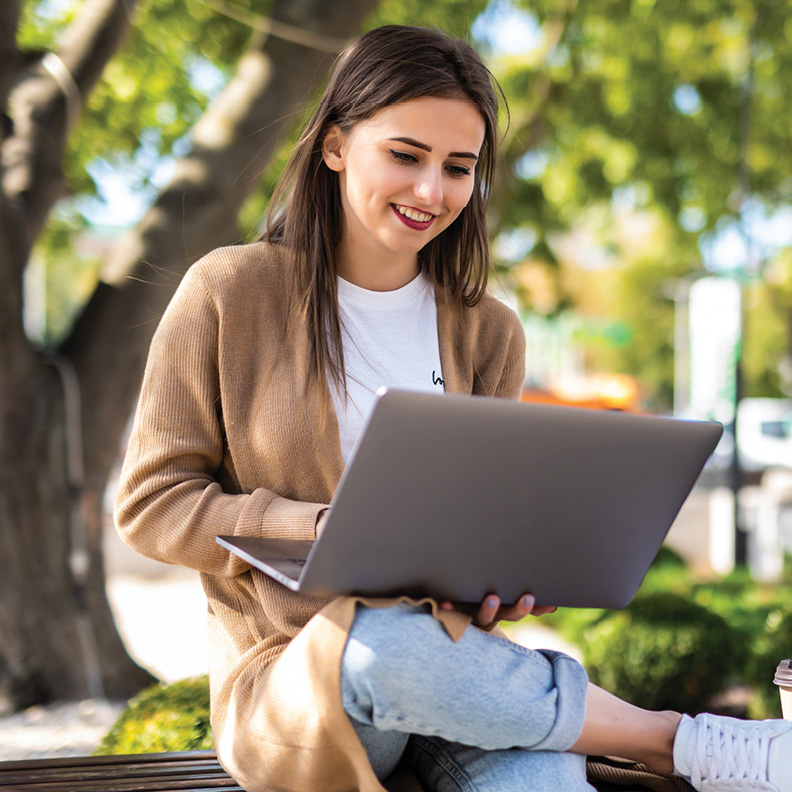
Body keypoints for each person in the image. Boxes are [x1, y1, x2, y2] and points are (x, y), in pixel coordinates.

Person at [114, 24, 792, 792]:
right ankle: (674, 742)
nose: (431, 191)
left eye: (458, 167)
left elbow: (481, 527)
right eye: (405, 155)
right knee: (383, 646)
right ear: (335, 146)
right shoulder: (228, 292)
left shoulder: (487, 329)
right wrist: (315, 529)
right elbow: (151, 504)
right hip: (302, 685)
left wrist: (503, 577)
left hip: (456, 676)